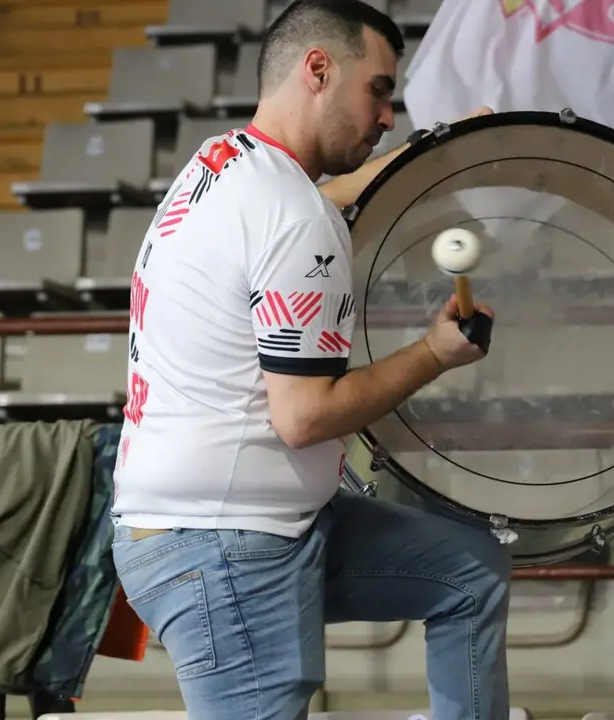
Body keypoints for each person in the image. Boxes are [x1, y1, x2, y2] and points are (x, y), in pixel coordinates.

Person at [109, 2, 512, 719]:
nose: (390, 115)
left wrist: (433, 156)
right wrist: (432, 354)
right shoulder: (294, 219)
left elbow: (321, 199)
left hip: (225, 522)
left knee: (469, 571)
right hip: (226, 550)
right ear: (318, 69)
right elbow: (305, 418)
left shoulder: (225, 162)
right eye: (380, 91)